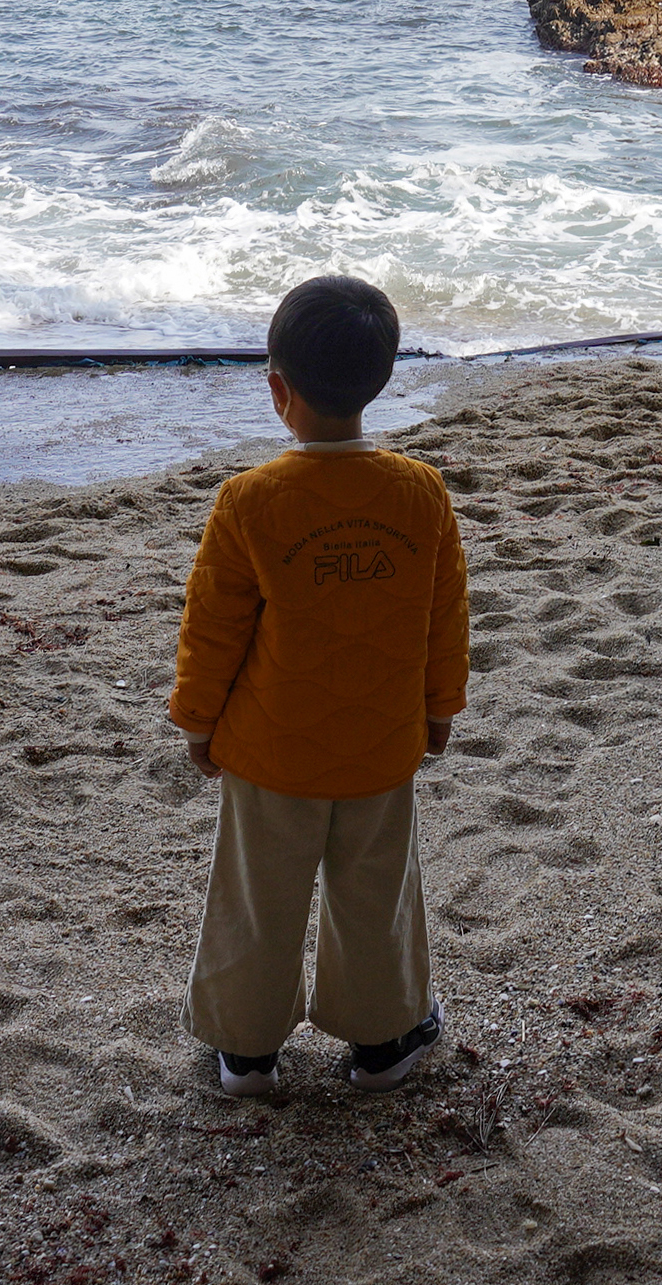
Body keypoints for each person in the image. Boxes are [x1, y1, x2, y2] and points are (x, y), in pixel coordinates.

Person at [168, 274, 468, 1095]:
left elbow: (214, 628)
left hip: (270, 750)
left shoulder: (249, 500)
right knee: (375, 892)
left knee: (257, 897)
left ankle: (247, 1050)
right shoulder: (420, 491)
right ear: (381, 379)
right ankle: (384, 1041)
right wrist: (441, 708)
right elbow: (445, 613)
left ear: (278, 390)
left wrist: (198, 721)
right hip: (380, 743)